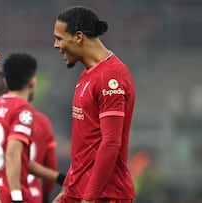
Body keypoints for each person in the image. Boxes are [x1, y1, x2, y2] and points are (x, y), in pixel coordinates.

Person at [52, 6, 136, 203]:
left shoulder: (110, 77)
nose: (55, 45)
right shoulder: (87, 75)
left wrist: (90, 198)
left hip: (105, 195)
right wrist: (67, 189)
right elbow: (85, 143)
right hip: (78, 191)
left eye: (59, 38)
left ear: (78, 37)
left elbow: (111, 142)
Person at [0, 53, 63, 203]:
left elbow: (20, 158)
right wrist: (17, 197)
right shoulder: (23, 109)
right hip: (11, 193)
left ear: (6, 82)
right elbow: (13, 154)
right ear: (32, 82)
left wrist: (58, 177)